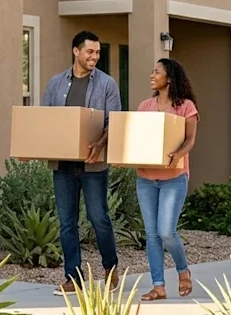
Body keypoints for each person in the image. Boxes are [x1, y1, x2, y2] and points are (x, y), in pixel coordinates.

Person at [41, 30, 121, 295]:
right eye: (90, 51)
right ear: (76, 51)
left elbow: (114, 122)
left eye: (98, 52)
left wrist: (100, 144)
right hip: (63, 166)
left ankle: (110, 267)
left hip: (93, 165)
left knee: (99, 218)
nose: (95, 57)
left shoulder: (107, 84)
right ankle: (72, 277)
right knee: (66, 223)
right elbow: (45, 121)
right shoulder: (55, 84)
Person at [135, 58, 199, 300]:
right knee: (151, 234)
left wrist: (177, 155)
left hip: (174, 177)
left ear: (170, 78)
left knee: (166, 232)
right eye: (152, 71)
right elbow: (137, 138)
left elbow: (190, 140)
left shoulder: (185, 106)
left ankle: (183, 271)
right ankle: (158, 286)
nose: (152, 75)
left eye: (157, 72)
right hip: (145, 177)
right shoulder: (144, 106)